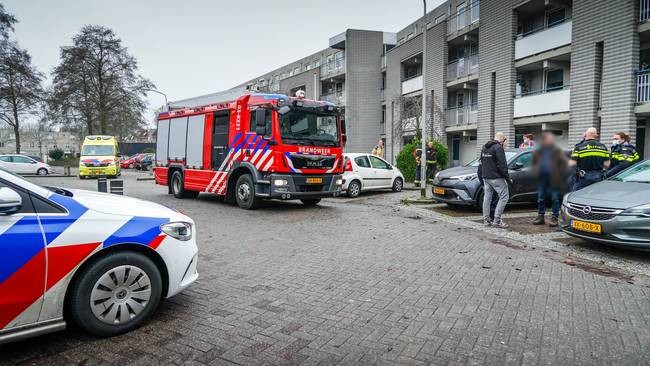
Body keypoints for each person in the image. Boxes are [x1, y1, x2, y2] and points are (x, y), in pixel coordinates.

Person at [531, 131, 567, 227]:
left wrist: (558, 172)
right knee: (541, 197)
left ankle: (554, 217)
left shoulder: (557, 150)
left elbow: (564, 163)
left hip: (553, 178)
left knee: (555, 198)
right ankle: (540, 216)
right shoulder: (539, 150)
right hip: (542, 177)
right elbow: (534, 162)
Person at [480, 132, 511, 228]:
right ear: (502, 139)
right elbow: (503, 165)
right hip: (496, 177)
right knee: (504, 196)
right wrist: (507, 178)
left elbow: (481, 161)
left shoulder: (485, 147)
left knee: (487, 198)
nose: (504, 142)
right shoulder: (498, 148)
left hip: (486, 176)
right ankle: (497, 220)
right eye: (504, 139)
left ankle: (486, 220)